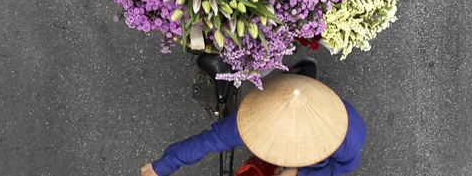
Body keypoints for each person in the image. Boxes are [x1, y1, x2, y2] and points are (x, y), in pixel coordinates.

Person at [141, 58, 366, 176]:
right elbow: (211, 141)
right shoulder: (255, 121)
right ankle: (303, 75)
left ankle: (301, 74)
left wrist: (299, 172)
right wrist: (164, 165)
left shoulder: (348, 136)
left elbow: (339, 168)